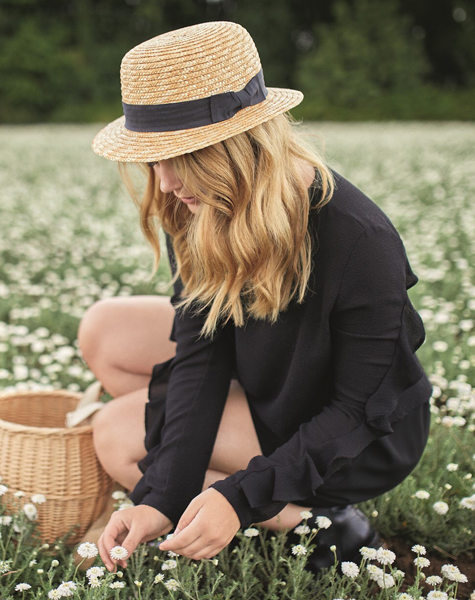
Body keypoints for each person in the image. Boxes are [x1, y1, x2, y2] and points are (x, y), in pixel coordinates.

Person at [79, 21, 432, 574]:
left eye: (181, 157)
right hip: (272, 383)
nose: (165, 183)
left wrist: (239, 498)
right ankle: (254, 485)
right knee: (105, 331)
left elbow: (358, 411)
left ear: (238, 147)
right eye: (154, 158)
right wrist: (160, 499)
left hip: (357, 437)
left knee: (116, 432)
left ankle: (318, 522)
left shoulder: (358, 238)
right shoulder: (194, 209)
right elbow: (202, 355)